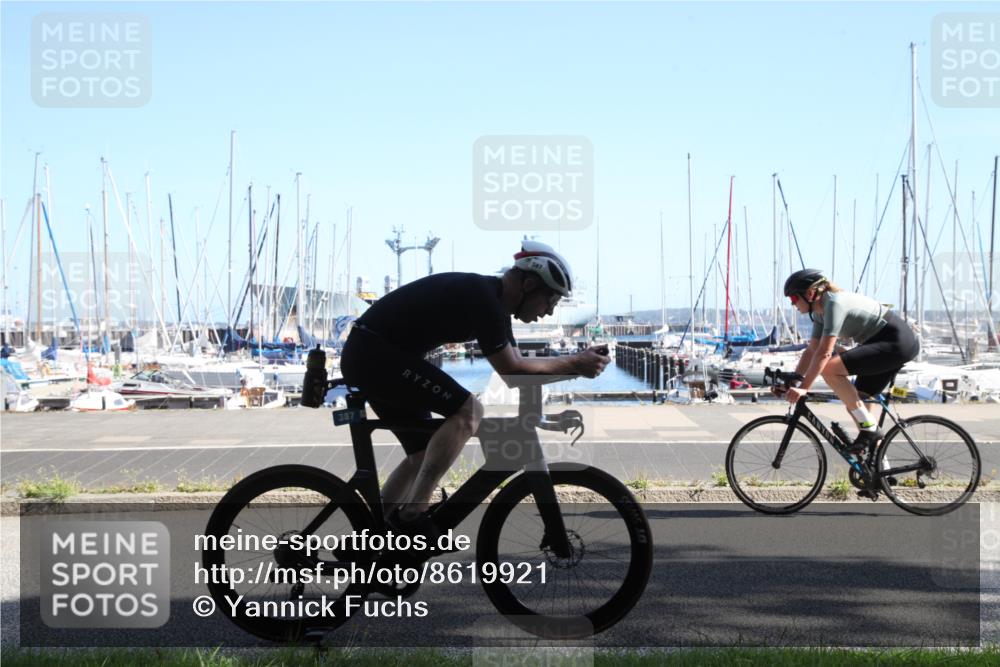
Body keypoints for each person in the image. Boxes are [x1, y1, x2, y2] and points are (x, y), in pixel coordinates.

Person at [339, 240, 609, 537]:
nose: (547, 312)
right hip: (374, 355)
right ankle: (413, 514)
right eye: (550, 301)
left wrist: (577, 367)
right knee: (469, 411)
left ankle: (370, 536)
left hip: (376, 354)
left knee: (420, 455)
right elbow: (511, 369)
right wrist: (575, 364)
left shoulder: (494, 303)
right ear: (530, 284)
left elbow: (516, 367)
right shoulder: (484, 300)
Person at [778, 269, 919, 454]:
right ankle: (878, 470)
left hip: (897, 341)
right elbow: (812, 350)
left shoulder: (834, 304)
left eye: (794, 299)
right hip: (880, 343)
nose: (792, 304)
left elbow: (824, 353)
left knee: (829, 370)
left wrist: (804, 387)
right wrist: (795, 378)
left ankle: (869, 429)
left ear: (810, 294)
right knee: (857, 407)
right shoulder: (820, 313)